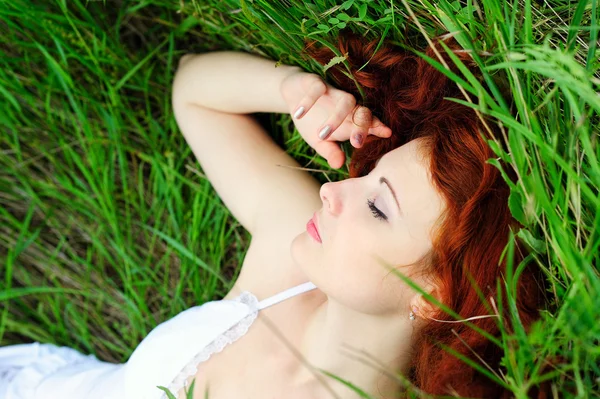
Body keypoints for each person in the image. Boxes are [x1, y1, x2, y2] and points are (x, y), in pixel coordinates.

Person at [0, 30, 550, 399]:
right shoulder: (296, 262)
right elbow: (194, 91)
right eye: (367, 180)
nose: (335, 191)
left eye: (379, 208)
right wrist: (293, 91)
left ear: (433, 297)